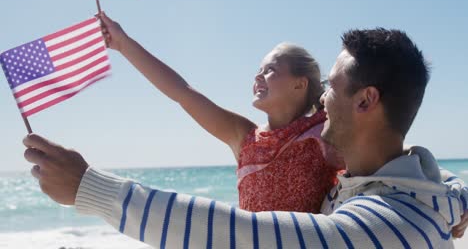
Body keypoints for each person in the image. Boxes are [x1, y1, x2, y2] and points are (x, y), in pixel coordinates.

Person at [24, 28, 468, 248]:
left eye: (331, 87)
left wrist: (91, 189)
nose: (258, 76)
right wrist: (457, 189)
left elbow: (249, 233)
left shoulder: (326, 146)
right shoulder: (426, 194)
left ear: (365, 101)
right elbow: (184, 93)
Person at [96, 12, 344, 213]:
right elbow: (183, 93)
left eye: (271, 69)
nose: (258, 75)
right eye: (258, 69)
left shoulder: (324, 131)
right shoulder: (244, 137)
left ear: (299, 84)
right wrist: (123, 43)